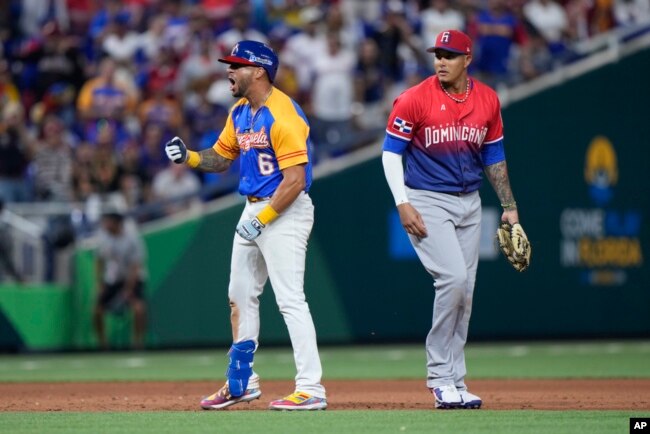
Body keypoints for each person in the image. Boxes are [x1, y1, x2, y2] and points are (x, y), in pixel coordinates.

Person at [164, 40, 327, 411]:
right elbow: (221, 158)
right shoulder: (240, 111)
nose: (228, 71)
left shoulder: (282, 114)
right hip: (254, 209)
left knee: (290, 300)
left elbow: (295, 180)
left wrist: (265, 219)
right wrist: (188, 157)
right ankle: (242, 382)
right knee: (239, 296)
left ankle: (311, 388)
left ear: (258, 71)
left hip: (284, 209)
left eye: (236, 65)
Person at [381, 30, 523, 410]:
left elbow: (494, 157)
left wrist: (508, 206)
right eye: (437, 54)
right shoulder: (414, 98)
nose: (441, 61)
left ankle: (457, 380)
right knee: (453, 280)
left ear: (467, 59)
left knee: (466, 292)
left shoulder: (488, 100)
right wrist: (402, 203)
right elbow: (390, 154)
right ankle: (440, 377)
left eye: (450, 54)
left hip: (470, 202)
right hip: (428, 199)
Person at [93, 210, 147, 350]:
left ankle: (137, 343)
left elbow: (135, 267)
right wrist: (100, 283)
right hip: (113, 280)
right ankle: (103, 345)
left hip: (131, 279)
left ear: (117, 224)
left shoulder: (132, 239)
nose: (106, 225)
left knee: (138, 309)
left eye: (109, 222)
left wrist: (128, 289)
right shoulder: (104, 239)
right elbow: (99, 262)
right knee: (97, 310)